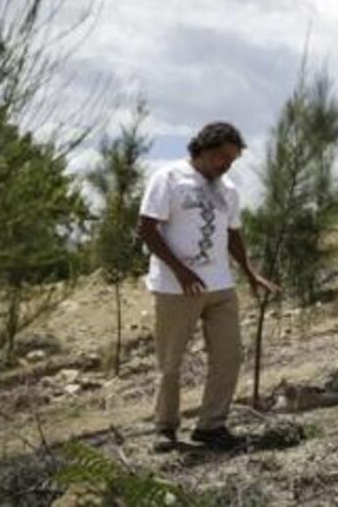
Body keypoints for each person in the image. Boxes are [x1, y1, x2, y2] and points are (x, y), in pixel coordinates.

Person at [137, 122, 277, 450]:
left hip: (220, 286)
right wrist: (181, 271)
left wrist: (249, 271)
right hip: (176, 288)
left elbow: (233, 233)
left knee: (229, 355)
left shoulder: (227, 189)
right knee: (171, 361)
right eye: (222, 157)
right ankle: (165, 427)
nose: (227, 164)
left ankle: (211, 425)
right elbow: (146, 228)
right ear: (204, 149)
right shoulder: (169, 178)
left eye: (232, 159)